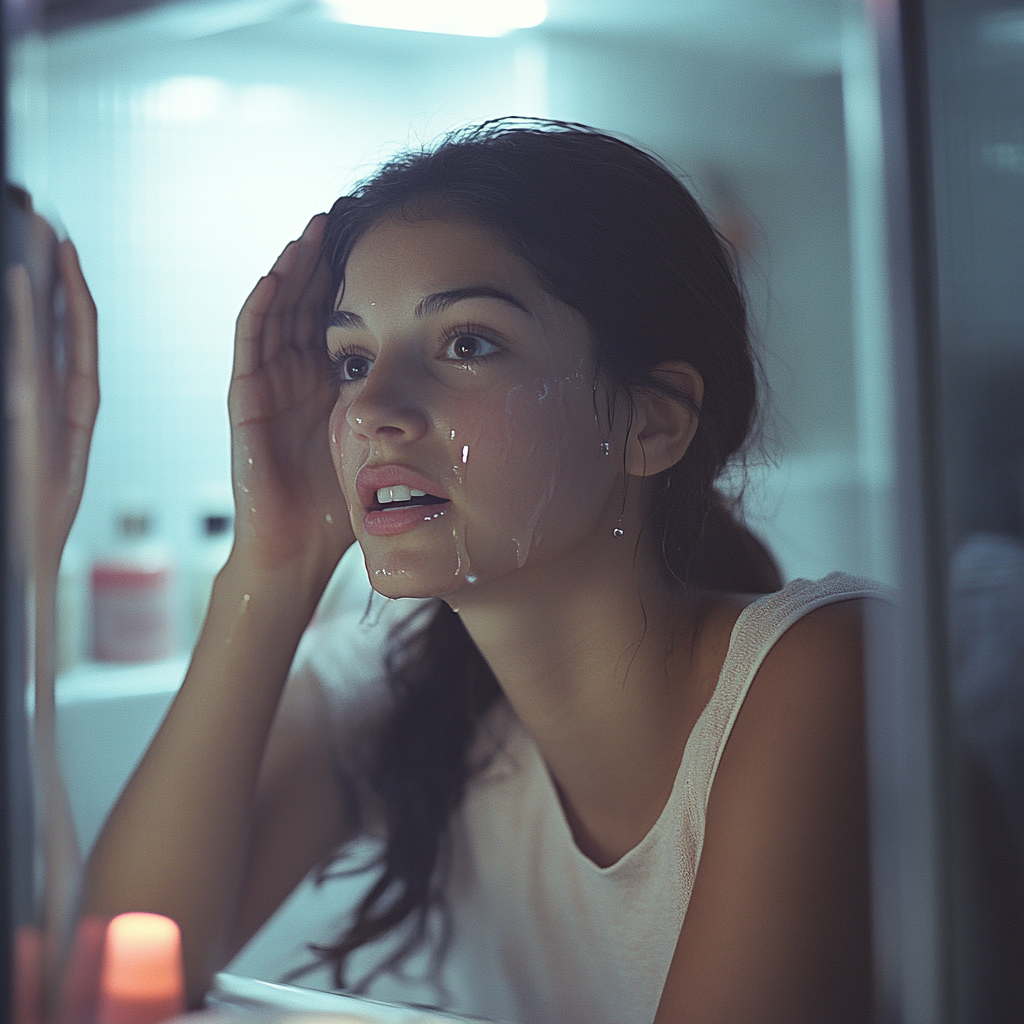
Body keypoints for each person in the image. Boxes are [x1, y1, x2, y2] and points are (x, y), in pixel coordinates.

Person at [82, 119, 878, 1024]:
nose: (372, 407)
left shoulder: (826, 673)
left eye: (468, 343)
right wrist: (276, 559)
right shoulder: (401, 690)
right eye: (353, 359)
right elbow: (120, 969)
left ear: (654, 423)